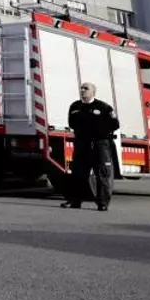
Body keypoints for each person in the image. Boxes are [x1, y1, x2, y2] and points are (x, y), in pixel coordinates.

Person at [61, 82, 119, 211]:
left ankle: (102, 203)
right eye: (81, 88)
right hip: (82, 144)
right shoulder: (75, 106)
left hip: (99, 145)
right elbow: (71, 123)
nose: (82, 90)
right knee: (78, 173)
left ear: (93, 92)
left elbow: (115, 124)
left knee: (102, 174)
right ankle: (74, 201)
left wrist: (100, 133)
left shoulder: (103, 107)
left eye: (86, 88)